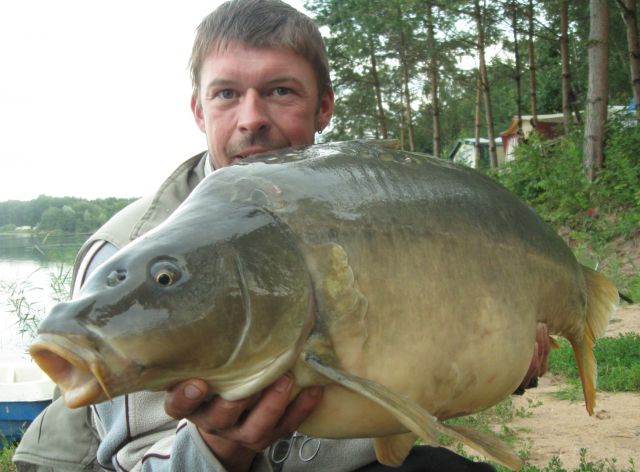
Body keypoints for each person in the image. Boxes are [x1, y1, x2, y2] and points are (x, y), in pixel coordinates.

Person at [14, 1, 550, 471]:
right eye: (226, 94)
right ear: (200, 110)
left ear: (323, 107)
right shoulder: (127, 246)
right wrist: (221, 448)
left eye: (279, 91)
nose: (252, 119)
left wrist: (509, 365)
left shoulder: (380, 209)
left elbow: (443, 361)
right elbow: (141, 462)